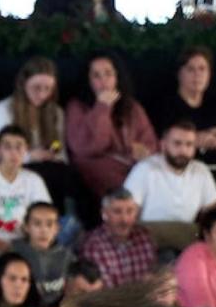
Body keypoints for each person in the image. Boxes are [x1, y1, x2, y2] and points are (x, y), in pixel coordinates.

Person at [151, 46, 216, 204]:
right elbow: (160, 140)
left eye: (202, 69)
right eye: (191, 69)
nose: (197, 75)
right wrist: (196, 140)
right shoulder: (166, 106)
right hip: (186, 174)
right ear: (179, 73)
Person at [66, 54, 157, 202]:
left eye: (108, 74)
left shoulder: (132, 107)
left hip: (132, 166)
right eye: (96, 76)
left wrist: (143, 151)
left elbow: (151, 143)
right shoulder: (77, 107)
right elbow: (92, 146)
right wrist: (102, 108)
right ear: (88, 81)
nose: (103, 81)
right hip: (96, 167)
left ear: (117, 77)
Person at [122, 120, 216, 249]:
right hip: (148, 240)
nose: (183, 150)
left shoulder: (201, 170)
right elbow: (127, 211)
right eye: (177, 144)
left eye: (189, 145)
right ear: (163, 145)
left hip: (186, 238)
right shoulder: (145, 169)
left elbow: (212, 213)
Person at [0, 57, 71, 208]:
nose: (42, 94)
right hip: (18, 164)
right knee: (45, 176)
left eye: (48, 89)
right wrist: (31, 155)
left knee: (64, 175)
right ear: (23, 84)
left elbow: (60, 147)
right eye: (36, 88)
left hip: (49, 165)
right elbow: (0, 153)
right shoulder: (4, 109)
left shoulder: (56, 113)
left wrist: (55, 153)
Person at [78, 188, 156, 288]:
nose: (125, 219)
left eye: (130, 211)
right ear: (104, 214)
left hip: (144, 300)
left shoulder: (144, 237)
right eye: (117, 212)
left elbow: (153, 278)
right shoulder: (92, 245)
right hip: (110, 302)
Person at [14, 202, 74, 307]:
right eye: (37, 224)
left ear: (57, 228)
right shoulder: (14, 252)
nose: (44, 230)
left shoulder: (67, 256)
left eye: (49, 224)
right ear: (26, 227)